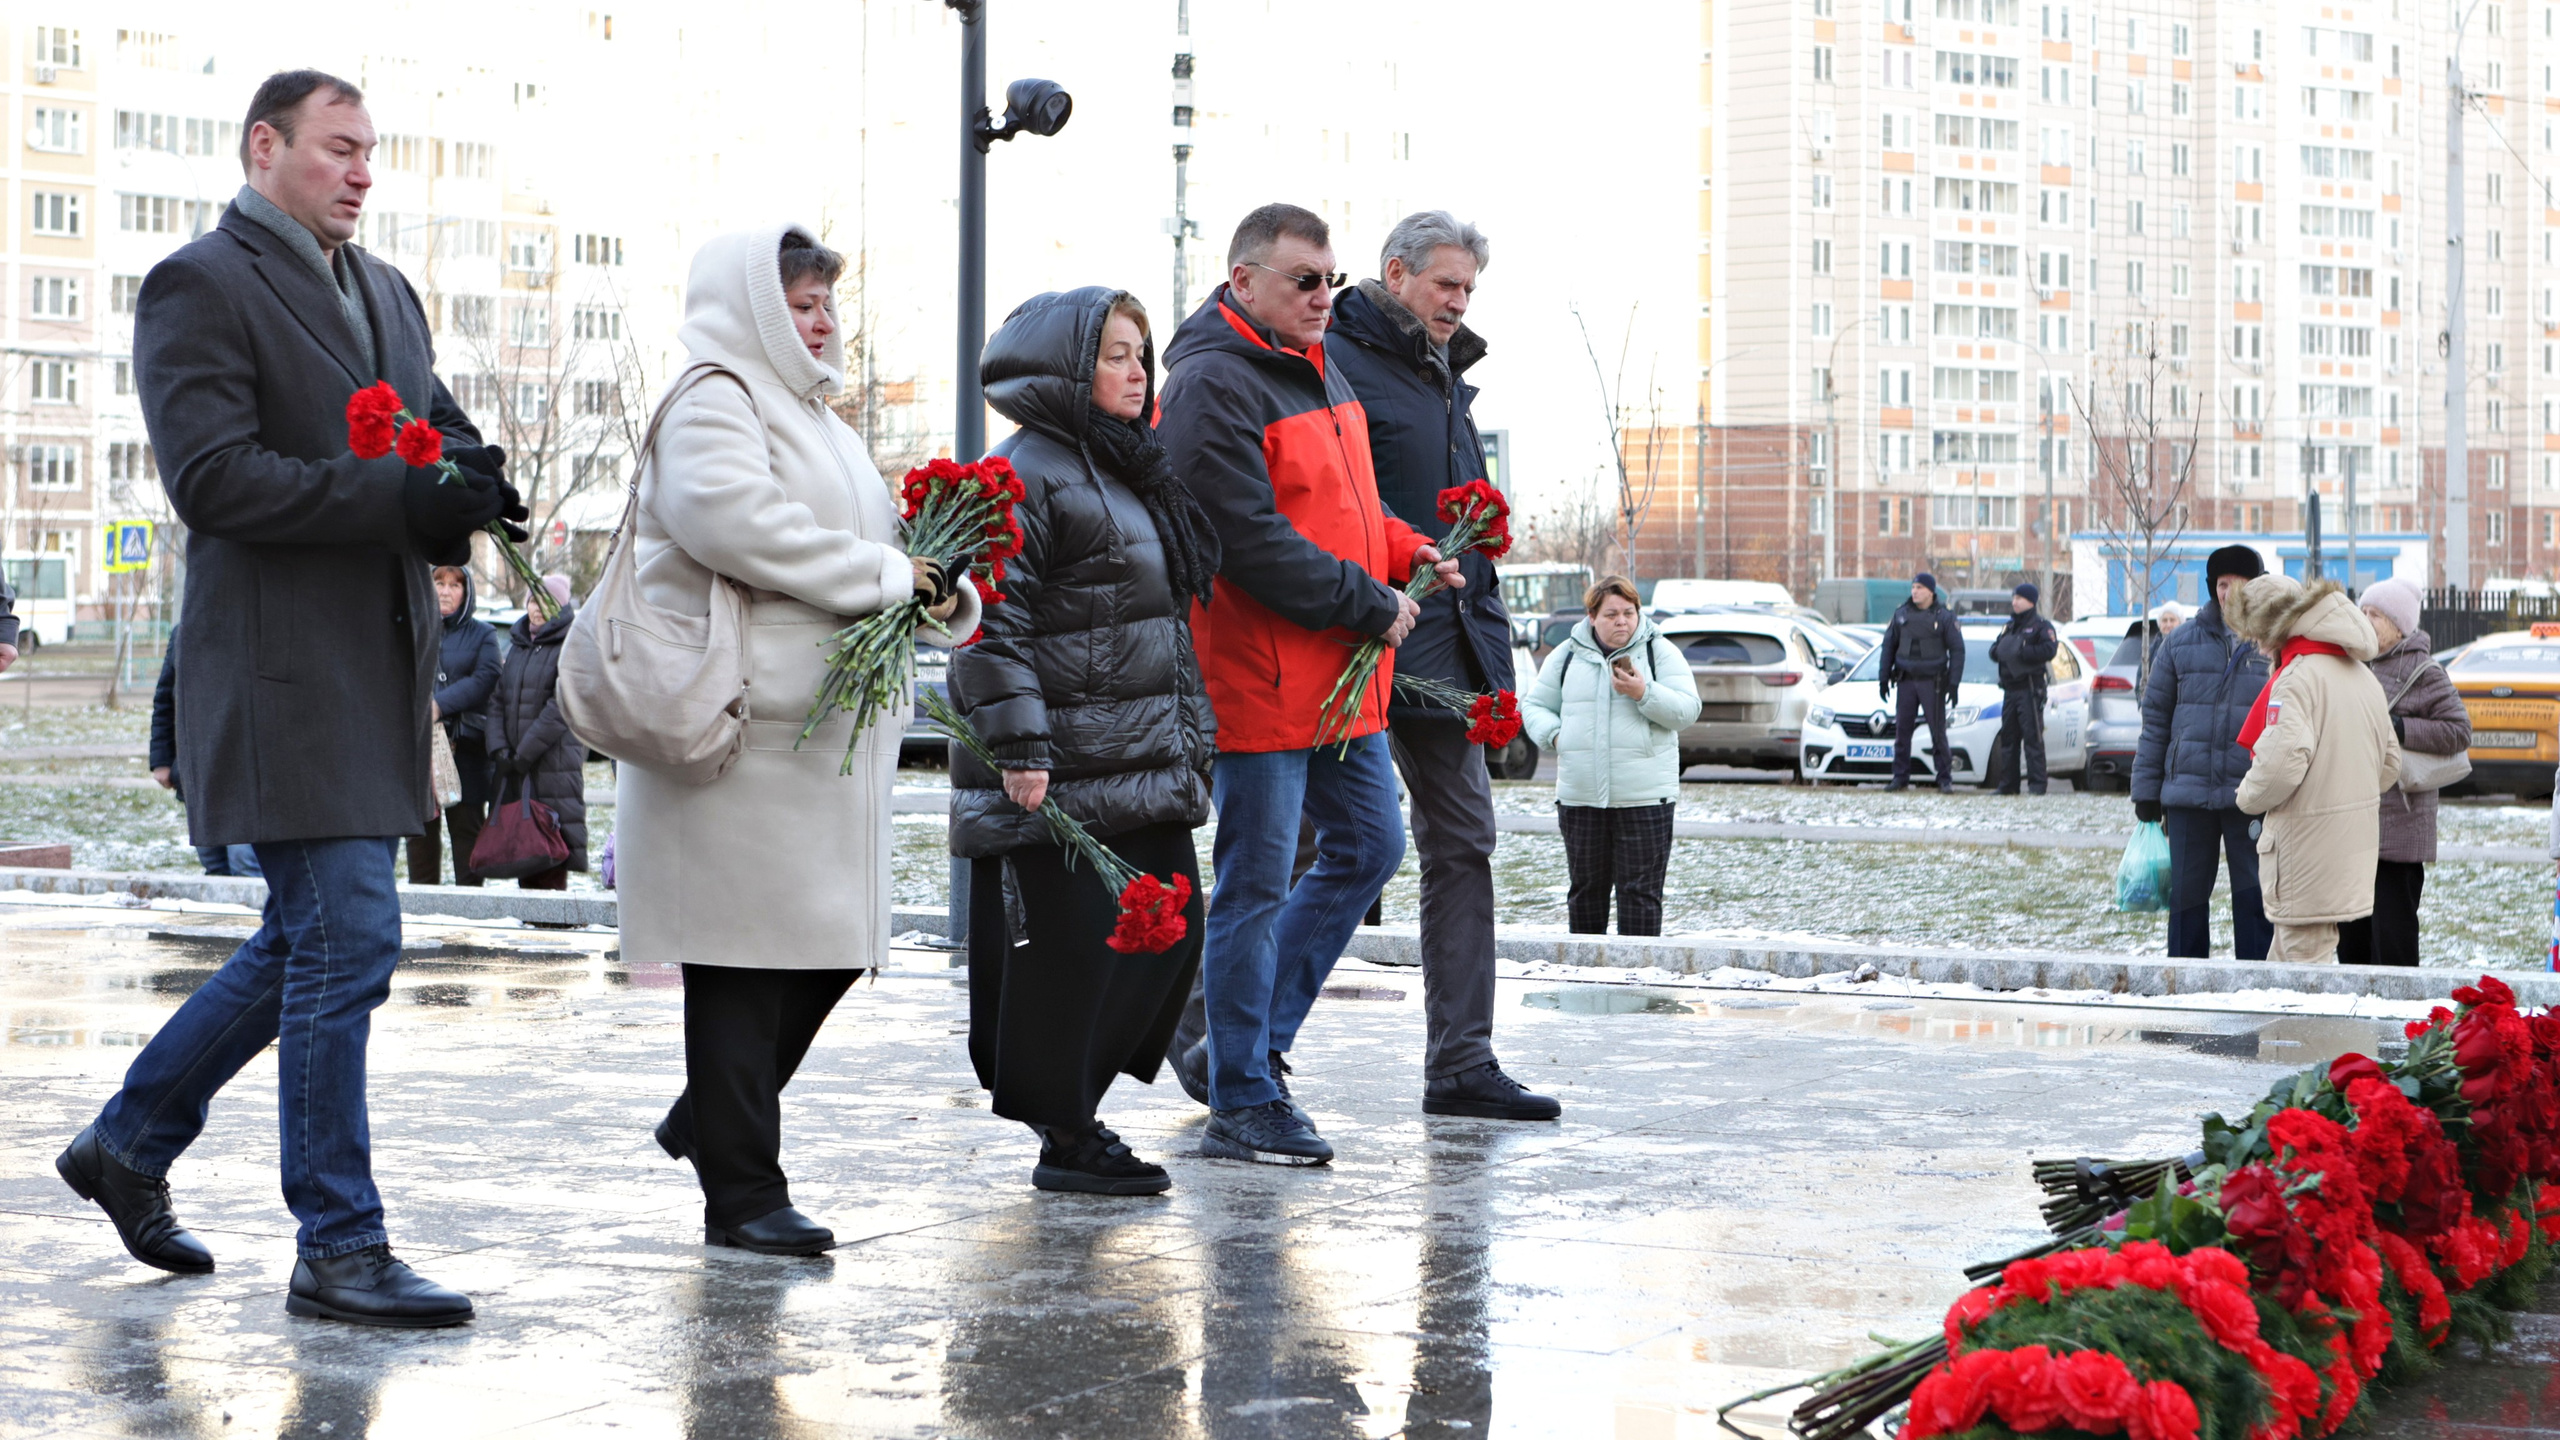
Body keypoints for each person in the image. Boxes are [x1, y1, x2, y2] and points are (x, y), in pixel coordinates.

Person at [60, 70, 523, 1327]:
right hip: (275, 680)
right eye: (338, 149)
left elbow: (428, 429)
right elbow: (214, 481)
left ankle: (129, 1142)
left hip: (375, 676)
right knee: (352, 938)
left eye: (371, 151)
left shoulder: (384, 287)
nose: (362, 171)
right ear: (266, 147)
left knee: (311, 940)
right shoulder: (199, 283)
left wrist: (479, 481)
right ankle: (339, 1240)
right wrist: (398, 501)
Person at [622, 225, 974, 1255]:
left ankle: (709, 1123)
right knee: (740, 961)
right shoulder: (714, 396)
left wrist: (938, 584)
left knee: (824, 948)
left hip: (815, 733)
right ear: (753, 311)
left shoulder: (813, 415)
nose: (822, 323)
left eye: (826, 304)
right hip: (746, 726)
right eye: (802, 305)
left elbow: (872, 547)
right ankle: (742, 1192)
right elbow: (734, 525)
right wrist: (886, 579)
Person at [1158, 202, 1459, 1167]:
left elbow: (1345, 508)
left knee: (1372, 844)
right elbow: (1242, 540)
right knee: (1250, 885)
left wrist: (1409, 548)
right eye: (1303, 280)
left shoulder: (1316, 361)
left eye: (1329, 279)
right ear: (1244, 282)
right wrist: (1366, 602)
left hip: (1335, 675)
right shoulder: (1211, 384)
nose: (1324, 296)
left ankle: (1240, 1050)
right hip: (1263, 675)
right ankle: (1243, 1093)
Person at [952, 287, 1218, 1194]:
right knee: (1071, 959)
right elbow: (989, 623)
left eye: (1142, 354)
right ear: (1068, 366)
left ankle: (1075, 1106)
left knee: (1172, 931)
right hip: (1062, 766)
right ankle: (1065, 1133)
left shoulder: (1121, 469)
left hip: (1137, 756)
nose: (1138, 372)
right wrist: (1021, 748)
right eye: (1115, 354)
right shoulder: (1023, 472)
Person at [1306, 210, 1556, 1122]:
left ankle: (1462, 1061)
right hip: (1352, 642)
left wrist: (1491, 650)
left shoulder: (1450, 377)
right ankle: (1222, 1041)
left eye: (1468, 290)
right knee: (1308, 852)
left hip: (1448, 647)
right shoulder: (1335, 360)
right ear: (1395, 272)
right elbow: (1319, 505)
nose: (1457, 302)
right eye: (1445, 284)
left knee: (1465, 843)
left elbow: (1467, 533)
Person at [2229, 576, 2402, 964]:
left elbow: (2280, 766)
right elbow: (2390, 762)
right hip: (2348, 847)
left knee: (2304, 976)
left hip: (2304, 850)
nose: (2256, 645)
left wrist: (2245, 796)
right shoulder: (2361, 674)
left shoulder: (2298, 677)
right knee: (2293, 963)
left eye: (2255, 633)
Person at [1520, 577, 1702, 936]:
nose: (1622, 621)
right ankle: (1585, 981)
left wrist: (1643, 692)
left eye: (1629, 613)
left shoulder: (1659, 652)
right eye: (1612, 614)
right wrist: (1558, 737)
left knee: (1640, 897)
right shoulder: (1567, 655)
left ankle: (1638, 984)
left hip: (1646, 799)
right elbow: (1535, 706)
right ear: (1592, 616)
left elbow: (1687, 711)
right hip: (1580, 798)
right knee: (1586, 894)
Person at [2132, 544, 2275, 960]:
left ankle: (2256, 985)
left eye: (2239, 584)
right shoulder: (2179, 644)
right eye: (2222, 584)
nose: (2229, 593)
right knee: (2187, 899)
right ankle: (2184, 983)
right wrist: (2146, 792)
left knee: (2254, 897)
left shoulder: (2271, 643)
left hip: (2249, 793)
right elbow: (2155, 719)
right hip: (2187, 795)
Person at [2340, 577, 2471, 967]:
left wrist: (2401, 728)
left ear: (2399, 624)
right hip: (2354, 820)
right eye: (2363, 612)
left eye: (2375, 614)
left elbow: (2459, 731)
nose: (2366, 620)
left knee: (2393, 939)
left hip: (2400, 823)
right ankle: (2354, 1019)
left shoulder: (2425, 671)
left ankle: (2398, 1019)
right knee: (2352, 941)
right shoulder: (2355, 664)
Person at [487, 575, 584, 891]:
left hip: (551, 764)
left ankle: (552, 929)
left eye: (547, 602)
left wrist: (524, 752)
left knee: (550, 845)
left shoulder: (570, 644)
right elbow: (498, 698)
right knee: (523, 845)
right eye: (532, 600)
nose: (538, 608)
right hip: (516, 764)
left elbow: (561, 705)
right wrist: (500, 749)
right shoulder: (519, 644)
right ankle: (529, 922)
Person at [409, 564, 501, 886]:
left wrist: (439, 704)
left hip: (465, 752)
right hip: (420, 749)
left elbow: (487, 677)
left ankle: (471, 915)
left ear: (467, 591)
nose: (446, 591)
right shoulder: (415, 628)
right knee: (419, 835)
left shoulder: (484, 634)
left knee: (467, 840)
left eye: (455, 584)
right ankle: (422, 914)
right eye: (439, 582)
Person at [148, 634, 261, 877]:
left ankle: (250, 915)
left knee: (244, 864)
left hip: (243, 773)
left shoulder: (250, 625)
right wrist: (161, 761)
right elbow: (165, 701)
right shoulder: (183, 632)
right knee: (213, 862)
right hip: (197, 772)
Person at [1879, 573, 1965, 792]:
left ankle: (1944, 778)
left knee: (1938, 733)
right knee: (1902, 732)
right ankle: (1900, 777)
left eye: (1919, 587)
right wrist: (1883, 677)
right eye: (1913, 587)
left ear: (1930, 591)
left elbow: (1957, 650)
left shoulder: (1943, 616)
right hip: (1906, 681)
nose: (1915, 591)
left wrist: (1953, 683)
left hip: (1932, 682)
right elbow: (1888, 646)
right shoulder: (1901, 614)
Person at [1989, 582, 2060, 796]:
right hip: (2010, 690)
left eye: (2018, 598)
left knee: (2033, 738)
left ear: (2030, 601)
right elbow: (1995, 650)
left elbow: (2049, 649)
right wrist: (2005, 650)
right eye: (2013, 598)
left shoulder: (2041, 626)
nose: (2014, 602)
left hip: (2030, 688)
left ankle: (2037, 785)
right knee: (2008, 739)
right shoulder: (2010, 626)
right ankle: (2008, 785)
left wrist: (2023, 651)